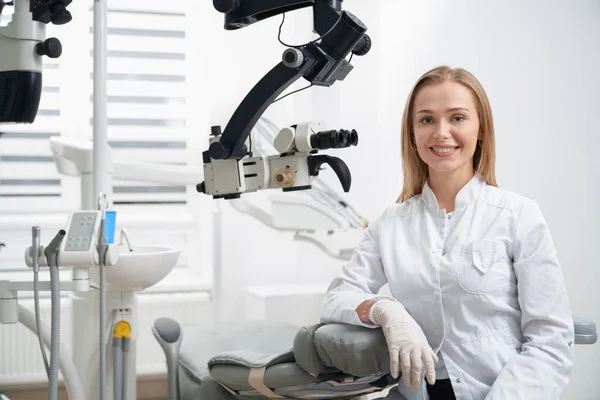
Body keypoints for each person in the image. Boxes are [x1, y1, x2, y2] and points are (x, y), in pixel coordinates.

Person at [320, 65, 575, 400]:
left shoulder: (517, 215)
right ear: (412, 133)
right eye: (426, 120)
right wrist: (386, 310)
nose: (441, 132)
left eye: (457, 118)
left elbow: (550, 341)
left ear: (480, 129)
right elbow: (336, 299)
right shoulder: (390, 224)